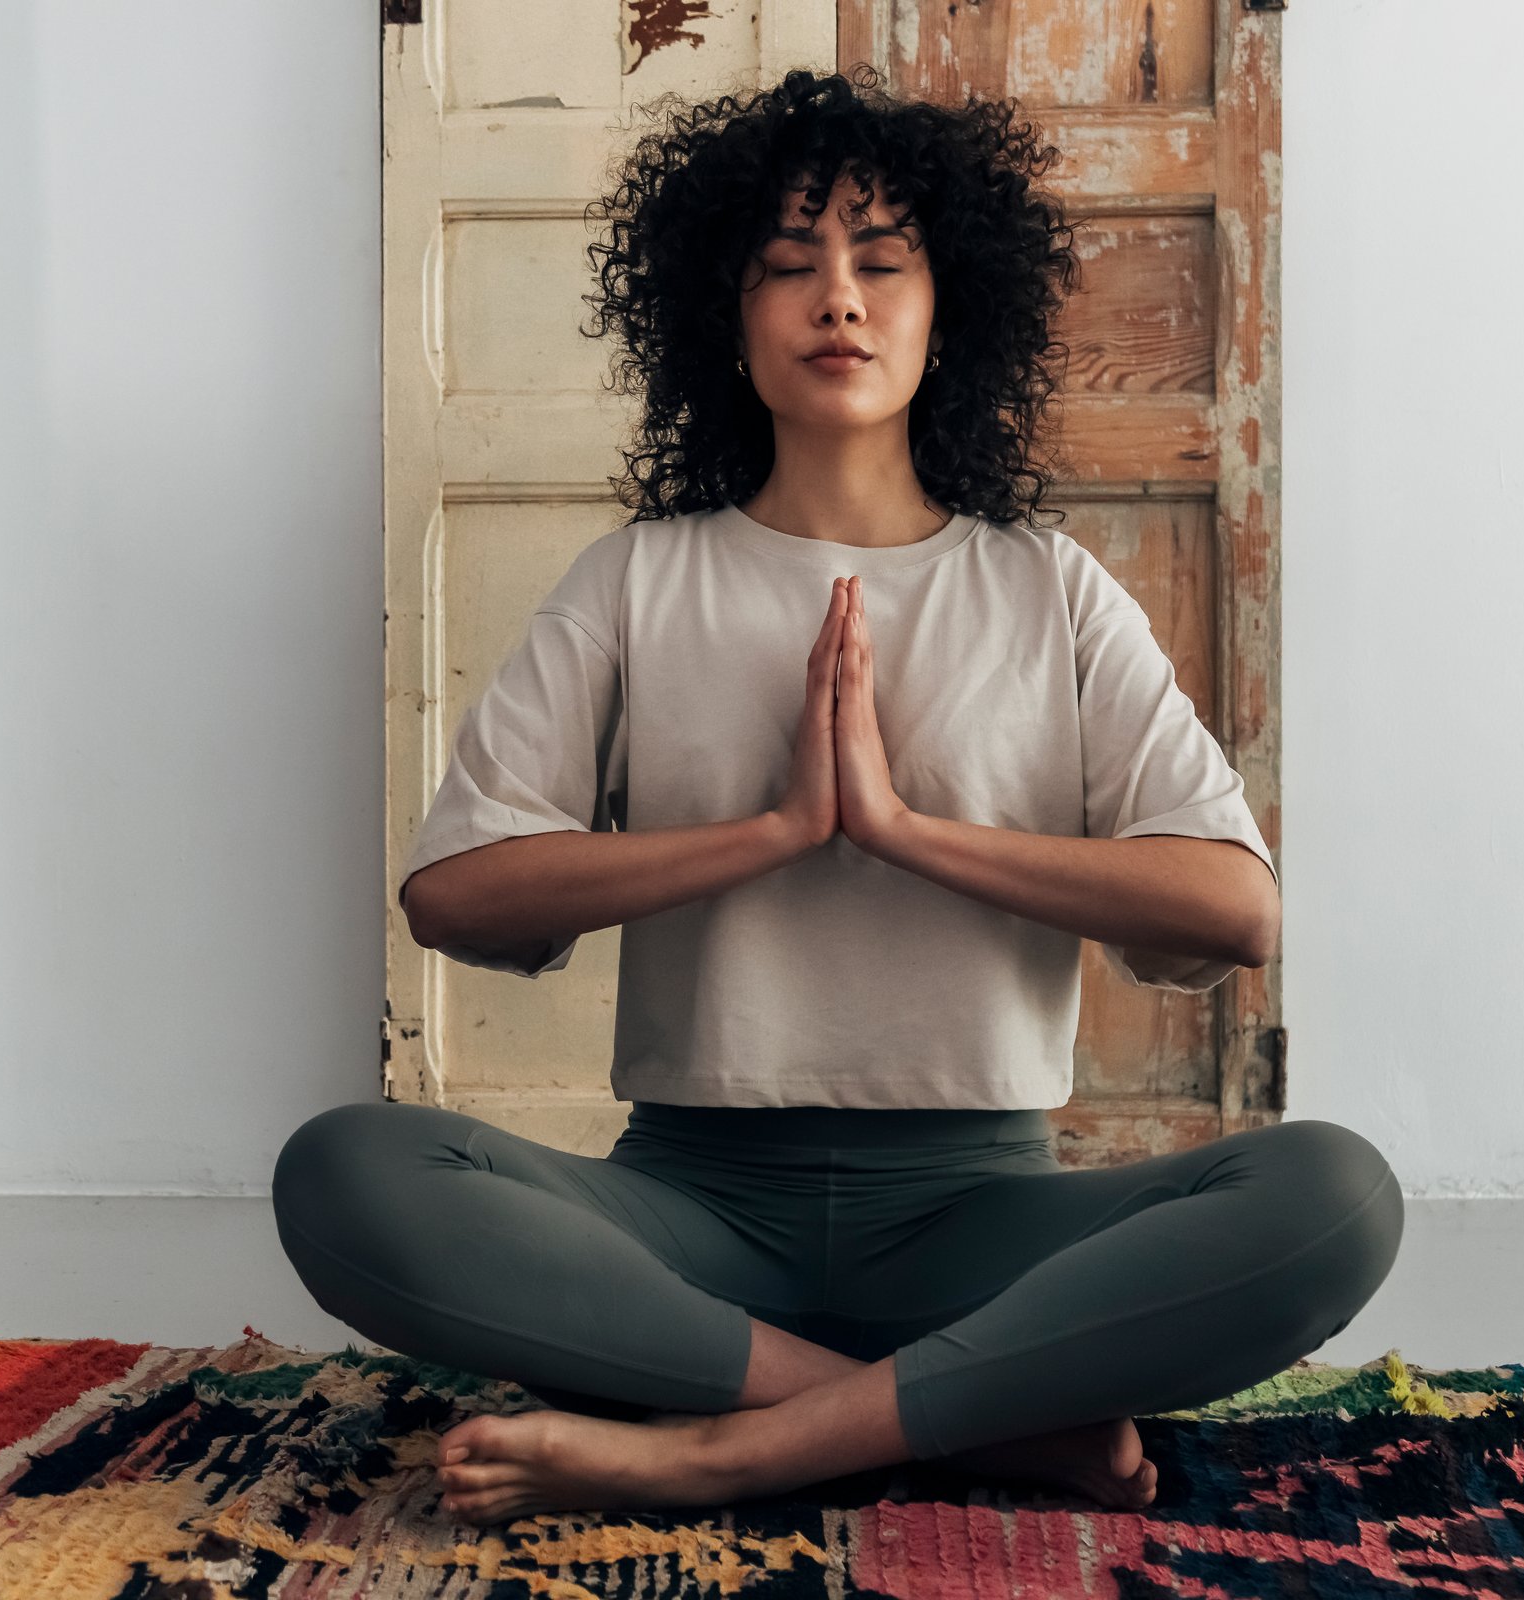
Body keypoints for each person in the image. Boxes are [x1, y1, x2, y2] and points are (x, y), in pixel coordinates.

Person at [272, 65, 1402, 1527]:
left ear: (950, 309)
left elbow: (1233, 909)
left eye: (881, 262)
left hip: (983, 1222)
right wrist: (772, 835)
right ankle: (973, 1411)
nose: (840, 301)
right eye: (788, 267)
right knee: (347, 1171)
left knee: (1339, 1194)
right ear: (724, 321)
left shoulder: (1044, 587)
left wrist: (908, 834)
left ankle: (729, 1444)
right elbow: (459, 896)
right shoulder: (640, 578)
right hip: (686, 1222)